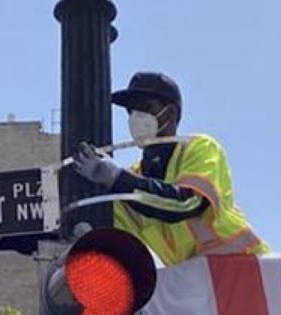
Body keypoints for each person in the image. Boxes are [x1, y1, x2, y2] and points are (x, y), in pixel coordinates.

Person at [72, 71, 268, 266]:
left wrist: (116, 178)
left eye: (145, 108)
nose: (135, 118)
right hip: (197, 283)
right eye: (131, 111)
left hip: (246, 270)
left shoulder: (200, 147)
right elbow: (119, 239)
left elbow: (187, 203)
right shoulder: (129, 183)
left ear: (171, 113)